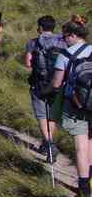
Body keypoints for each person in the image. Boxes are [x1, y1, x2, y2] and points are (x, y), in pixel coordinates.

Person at [52, 15, 92, 197]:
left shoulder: (66, 55)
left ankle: (84, 190)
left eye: (65, 36)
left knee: (81, 145)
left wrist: (48, 92)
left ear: (73, 36)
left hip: (76, 105)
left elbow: (57, 84)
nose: (64, 40)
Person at [25, 16, 67, 155]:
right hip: (58, 83)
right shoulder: (63, 41)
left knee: (42, 115)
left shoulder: (33, 42)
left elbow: (28, 63)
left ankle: (49, 144)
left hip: (39, 83)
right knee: (52, 114)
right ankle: (47, 142)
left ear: (41, 27)